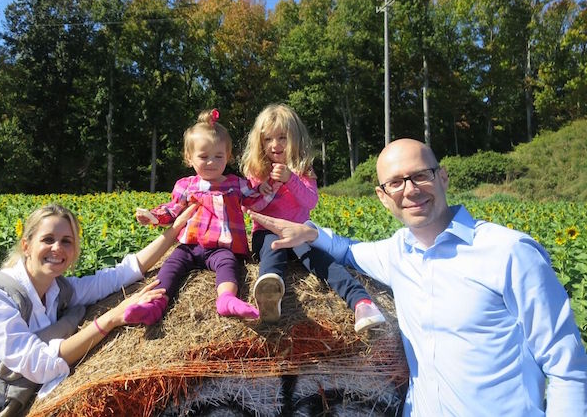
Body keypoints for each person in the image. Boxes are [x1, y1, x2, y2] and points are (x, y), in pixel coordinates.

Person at [248, 138, 587, 416]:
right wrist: (306, 231)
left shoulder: (509, 252)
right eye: (395, 182)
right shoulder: (397, 253)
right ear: (383, 197)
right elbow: (346, 249)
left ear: (443, 177)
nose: (410, 190)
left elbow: (566, 366)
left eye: (420, 175)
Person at [0, 202, 196, 416]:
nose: (57, 248)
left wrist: (174, 233)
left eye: (66, 242)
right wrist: (112, 318)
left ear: (74, 252)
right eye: (48, 239)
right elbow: (40, 365)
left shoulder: (58, 290)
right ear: (26, 245)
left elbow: (121, 274)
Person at [240, 103, 385, 330]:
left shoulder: (303, 169)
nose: (275, 145)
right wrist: (264, 190)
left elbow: (310, 201)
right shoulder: (256, 172)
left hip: (299, 232)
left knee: (323, 261)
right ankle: (269, 291)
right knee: (272, 247)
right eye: (268, 139)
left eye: (282, 137)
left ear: (295, 138)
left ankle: (362, 302)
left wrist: (291, 179)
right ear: (260, 143)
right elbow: (249, 208)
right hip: (266, 233)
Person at [129, 109, 275, 325]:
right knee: (171, 266)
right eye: (203, 157)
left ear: (228, 156)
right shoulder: (186, 185)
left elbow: (255, 202)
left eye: (219, 156)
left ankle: (226, 298)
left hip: (222, 247)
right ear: (189, 158)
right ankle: (155, 304)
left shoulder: (236, 184)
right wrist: (154, 216)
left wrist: (267, 188)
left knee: (228, 266)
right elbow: (173, 209)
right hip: (190, 246)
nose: (211, 162)